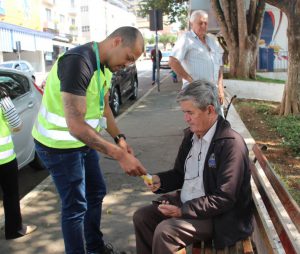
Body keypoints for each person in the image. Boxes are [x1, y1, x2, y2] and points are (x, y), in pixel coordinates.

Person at [32, 26, 147, 254]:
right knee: (75, 207)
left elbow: (104, 109)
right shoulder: (78, 62)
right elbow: (75, 126)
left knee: (96, 192)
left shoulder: (103, 66)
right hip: (58, 147)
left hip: (81, 144)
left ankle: (95, 248)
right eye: (128, 58)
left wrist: (119, 138)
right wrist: (119, 155)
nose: (127, 65)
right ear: (116, 41)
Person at [133, 80, 254, 254]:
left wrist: (182, 211)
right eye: (184, 112)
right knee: (142, 217)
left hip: (219, 217)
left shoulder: (230, 144)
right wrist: (160, 181)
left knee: (166, 232)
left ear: (210, 110)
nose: (186, 118)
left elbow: (224, 198)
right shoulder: (192, 135)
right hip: (190, 204)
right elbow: (179, 174)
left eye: (190, 112)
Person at [0, 86, 37, 240]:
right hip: (4, 158)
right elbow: (16, 124)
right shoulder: (2, 97)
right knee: (10, 194)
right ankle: (14, 229)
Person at [169, 10, 225, 106]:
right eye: (200, 23)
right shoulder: (186, 38)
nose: (203, 26)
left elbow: (219, 66)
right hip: (195, 93)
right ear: (191, 24)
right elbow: (173, 61)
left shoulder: (213, 40)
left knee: (218, 120)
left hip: (214, 93)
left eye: (205, 23)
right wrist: (192, 82)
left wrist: (220, 88)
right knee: (200, 120)